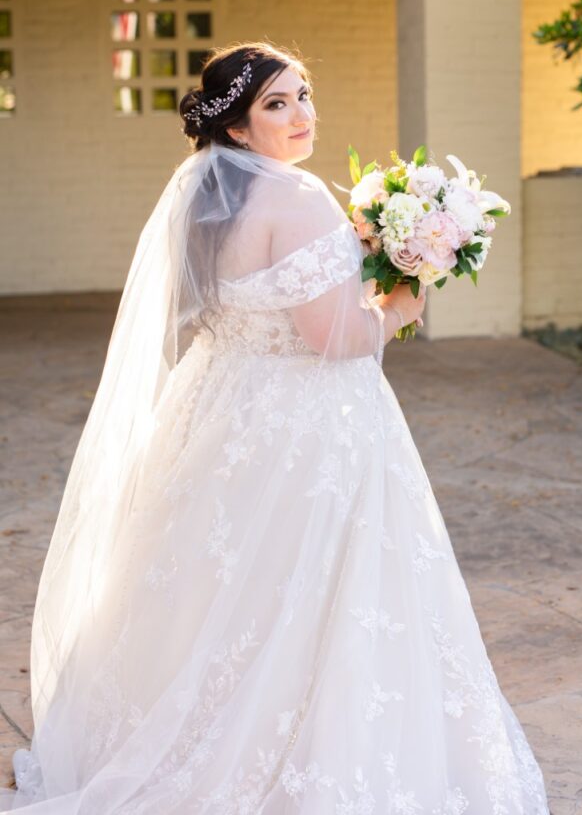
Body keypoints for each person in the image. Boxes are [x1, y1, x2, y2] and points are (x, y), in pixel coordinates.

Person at [0, 42, 550, 814]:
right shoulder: (296, 199)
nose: (302, 115)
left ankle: (184, 732)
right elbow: (336, 338)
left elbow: (248, 304)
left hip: (221, 408)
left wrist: (363, 257)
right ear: (236, 129)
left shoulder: (203, 202)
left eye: (304, 95)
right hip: (308, 426)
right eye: (277, 104)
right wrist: (404, 302)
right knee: (318, 589)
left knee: (216, 589)